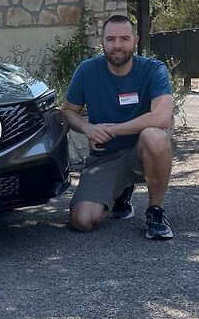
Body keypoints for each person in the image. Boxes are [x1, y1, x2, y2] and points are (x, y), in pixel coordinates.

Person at [61, 15, 175, 239]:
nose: (117, 45)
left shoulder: (153, 69)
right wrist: (87, 128)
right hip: (105, 157)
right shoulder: (87, 70)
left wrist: (112, 129)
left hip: (142, 152)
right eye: (111, 39)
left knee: (155, 136)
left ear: (135, 41)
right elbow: (68, 112)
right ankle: (121, 192)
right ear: (102, 42)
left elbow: (162, 117)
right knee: (82, 221)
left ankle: (155, 212)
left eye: (124, 39)